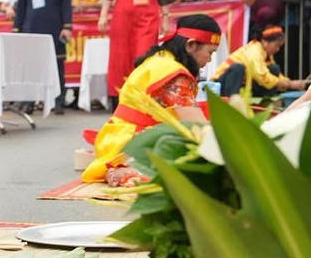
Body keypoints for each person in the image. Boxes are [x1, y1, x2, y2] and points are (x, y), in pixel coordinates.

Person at [82, 15, 220, 186]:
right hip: (133, 145)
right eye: (210, 52)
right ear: (191, 45)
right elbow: (198, 127)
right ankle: (131, 170)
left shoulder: (159, 59)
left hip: (113, 137)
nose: (210, 60)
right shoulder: (176, 75)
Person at [13, 0, 73, 114]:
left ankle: (58, 100)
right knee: (31, 66)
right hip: (31, 28)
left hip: (54, 27)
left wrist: (67, 26)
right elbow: (22, 7)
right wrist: (17, 29)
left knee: (57, 64)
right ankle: (30, 101)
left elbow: (66, 3)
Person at [213, 26, 307, 98]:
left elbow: (276, 76)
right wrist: (290, 84)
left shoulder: (266, 54)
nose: (278, 49)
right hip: (221, 83)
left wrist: (291, 82)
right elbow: (261, 75)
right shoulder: (255, 51)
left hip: (241, 82)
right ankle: (231, 103)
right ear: (265, 42)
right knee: (238, 68)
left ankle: (267, 101)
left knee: (274, 69)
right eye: (276, 46)